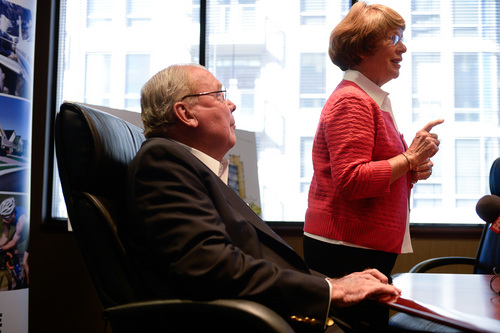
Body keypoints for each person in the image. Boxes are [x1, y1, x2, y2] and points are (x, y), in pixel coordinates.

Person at [123, 64, 402, 333]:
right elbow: (210, 266)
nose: (231, 105)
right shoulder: (162, 162)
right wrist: (332, 290)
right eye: (219, 96)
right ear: (185, 113)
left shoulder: (197, 171)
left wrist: (336, 282)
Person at [303, 2, 444, 331]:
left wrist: (411, 169)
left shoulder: (370, 99)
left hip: (360, 244)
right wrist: (408, 158)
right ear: (362, 47)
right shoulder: (353, 100)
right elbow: (352, 181)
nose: (403, 47)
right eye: (394, 38)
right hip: (346, 248)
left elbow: (377, 169)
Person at [0, 197, 28, 290]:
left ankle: (27, 285)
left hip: (29, 233)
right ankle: (17, 274)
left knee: (25, 262)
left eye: (6, 218)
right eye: (2, 217)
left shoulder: (21, 220)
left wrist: (2, 249)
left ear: (12, 214)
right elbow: (4, 238)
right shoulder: (7, 217)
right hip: (19, 232)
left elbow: (13, 242)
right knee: (13, 251)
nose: (3, 220)